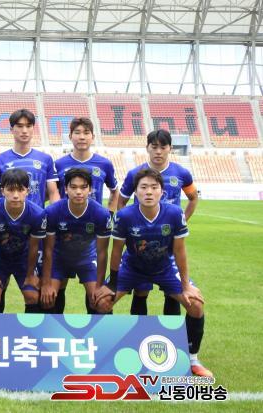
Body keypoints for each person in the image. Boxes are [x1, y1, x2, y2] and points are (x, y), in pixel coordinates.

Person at [94, 168, 212, 377]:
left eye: (154, 187)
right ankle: (105, 354)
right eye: (143, 187)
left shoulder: (174, 214)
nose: (148, 192)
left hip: (165, 267)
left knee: (195, 304)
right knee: (102, 301)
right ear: (136, 192)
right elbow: (117, 251)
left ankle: (192, 358)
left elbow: (180, 251)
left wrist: (186, 285)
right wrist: (111, 283)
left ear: (162, 192)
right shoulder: (125, 216)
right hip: (132, 268)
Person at [118, 129, 199, 316]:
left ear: (170, 148)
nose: (158, 151)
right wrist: (128, 228)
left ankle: (171, 333)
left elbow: (193, 198)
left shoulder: (181, 173)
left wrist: (182, 222)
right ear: (147, 148)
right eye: (154, 147)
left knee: (173, 292)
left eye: (163, 147)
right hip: (140, 239)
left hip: (168, 240)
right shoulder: (135, 173)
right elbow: (121, 202)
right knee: (141, 290)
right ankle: (139, 332)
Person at [54, 117, 118, 313]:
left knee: (96, 293)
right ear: (70, 136)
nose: (82, 137)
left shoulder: (104, 164)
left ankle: (98, 330)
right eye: (77, 133)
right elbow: (53, 192)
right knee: (57, 287)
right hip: (64, 232)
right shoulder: (59, 164)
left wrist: (110, 215)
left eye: (86, 133)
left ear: (93, 137)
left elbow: (115, 191)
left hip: (92, 232)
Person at [41, 168, 111, 314]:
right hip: (59, 258)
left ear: (90, 190)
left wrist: (99, 285)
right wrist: (46, 283)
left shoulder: (101, 214)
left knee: (100, 301)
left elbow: (102, 253)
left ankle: (97, 329)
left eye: (83, 187)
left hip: (86, 259)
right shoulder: (52, 212)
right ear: (66, 189)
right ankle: (54, 327)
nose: (78, 192)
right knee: (47, 299)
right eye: (73, 187)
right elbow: (48, 249)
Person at [0, 169, 47, 314]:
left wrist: (30, 275)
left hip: (23, 258)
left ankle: (31, 328)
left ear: (27, 191)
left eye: (20, 190)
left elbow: (34, 246)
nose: (15, 195)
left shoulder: (37, 214)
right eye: (10, 190)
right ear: (2, 191)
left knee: (32, 295)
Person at [0, 108, 60, 207]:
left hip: (36, 215)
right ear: (11, 129)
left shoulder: (46, 159)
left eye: (28, 126)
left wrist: (53, 212)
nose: (24, 131)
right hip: (7, 215)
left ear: (33, 128)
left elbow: (53, 192)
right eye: (20, 126)